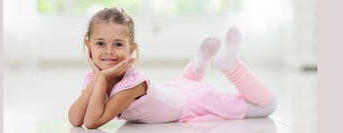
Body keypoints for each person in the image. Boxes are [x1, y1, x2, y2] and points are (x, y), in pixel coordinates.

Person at [68, 7, 277, 129]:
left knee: (268, 106)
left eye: (118, 44)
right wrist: (98, 77)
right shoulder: (93, 77)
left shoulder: (132, 84)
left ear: (132, 49)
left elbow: (92, 122)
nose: (109, 52)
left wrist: (101, 77)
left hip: (192, 102)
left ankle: (231, 66)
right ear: (88, 46)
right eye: (100, 44)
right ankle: (199, 63)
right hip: (173, 91)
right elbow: (75, 118)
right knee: (182, 84)